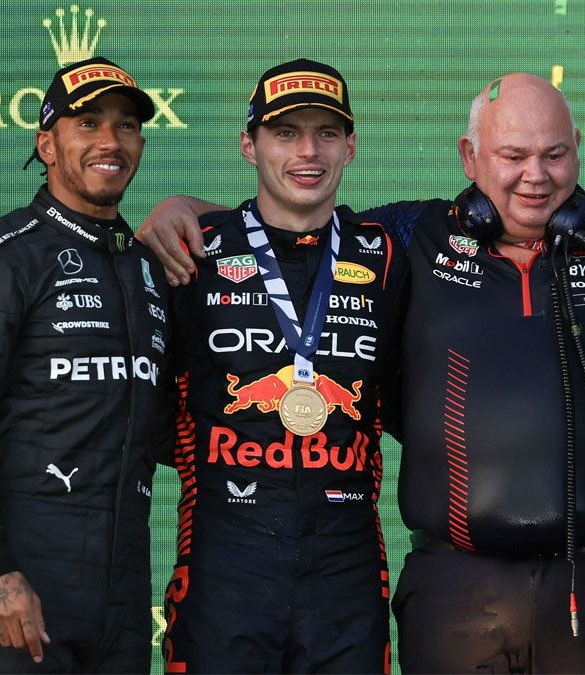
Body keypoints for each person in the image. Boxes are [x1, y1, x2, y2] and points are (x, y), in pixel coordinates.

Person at [138, 73, 585, 674]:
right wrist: (186, 209)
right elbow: (299, 218)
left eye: (555, 155)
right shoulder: (413, 235)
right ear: (470, 158)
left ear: (578, 153)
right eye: (513, 156)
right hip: (456, 594)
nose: (537, 176)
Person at [0, 57, 171, 673]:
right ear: (47, 144)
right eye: (88, 123)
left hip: (124, 588)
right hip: (22, 576)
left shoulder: (147, 268)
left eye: (127, 125)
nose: (111, 141)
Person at [158, 59, 405, 674]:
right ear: (250, 145)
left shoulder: (391, 250)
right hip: (225, 561)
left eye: (326, 133)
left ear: (351, 146)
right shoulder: (191, 248)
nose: (308, 151)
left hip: (346, 566)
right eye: (285, 132)